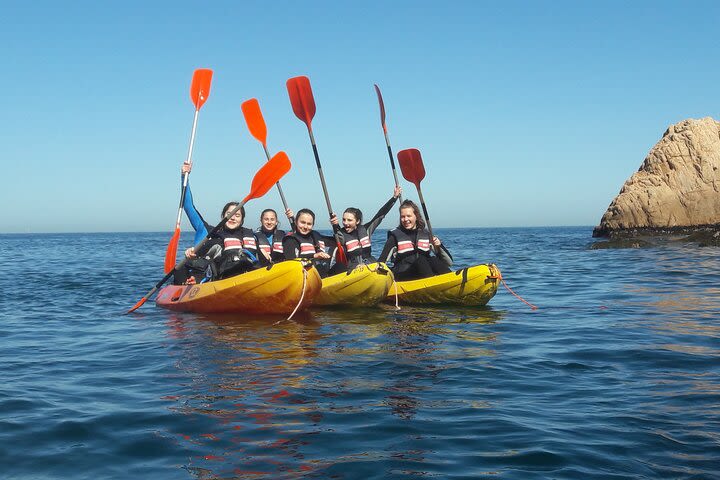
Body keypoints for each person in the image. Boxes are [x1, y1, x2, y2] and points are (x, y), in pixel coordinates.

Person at [173, 162, 259, 284]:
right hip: (204, 277)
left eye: (237, 215)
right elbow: (188, 207)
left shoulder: (247, 235)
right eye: (229, 214)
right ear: (223, 216)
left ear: (242, 220)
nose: (233, 218)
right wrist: (184, 176)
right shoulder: (209, 231)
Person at [327, 185, 402, 275]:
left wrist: (394, 197)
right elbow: (337, 236)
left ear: (357, 221)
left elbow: (381, 214)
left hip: (371, 264)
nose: (345, 223)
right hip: (352, 270)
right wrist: (335, 225)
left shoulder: (366, 230)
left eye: (349, 220)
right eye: (344, 219)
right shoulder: (341, 234)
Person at [378, 199, 453, 281]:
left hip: (423, 274)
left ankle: (452, 282)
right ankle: (433, 287)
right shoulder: (394, 236)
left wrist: (439, 246)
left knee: (433, 259)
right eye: (402, 217)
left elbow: (449, 263)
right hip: (403, 275)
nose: (405, 219)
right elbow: (381, 262)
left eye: (408, 216)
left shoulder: (426, 234)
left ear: (416, 216)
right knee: (420, 260)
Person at [281, 208, 334, 276]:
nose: (305, 226)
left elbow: (340, 241)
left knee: (340, 266)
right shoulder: (290, 240)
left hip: (322, 273)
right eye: (302, 222)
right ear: (296, 222)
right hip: (302, 275)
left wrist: (336, 225)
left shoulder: (316, 236)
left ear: (313, 225)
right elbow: (291, 261)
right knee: (319, 268)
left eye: (309, 224)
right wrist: (314, 256)